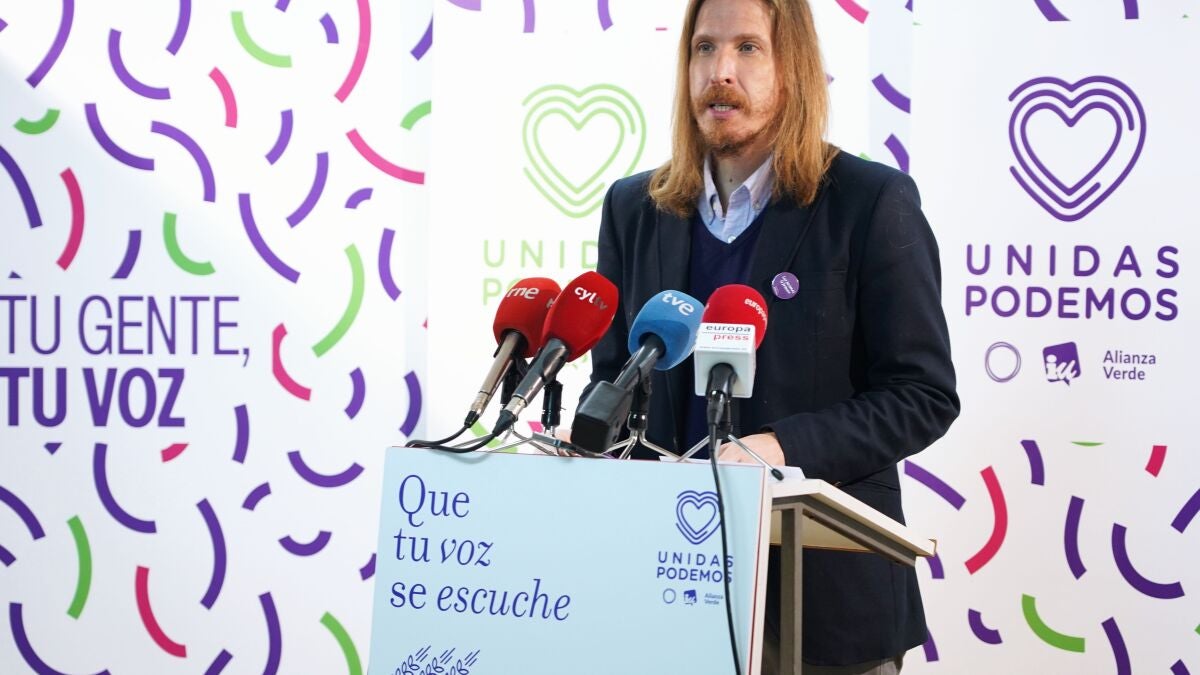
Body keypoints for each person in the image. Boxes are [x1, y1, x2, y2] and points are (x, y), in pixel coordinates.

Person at [586, 0, 960, 672]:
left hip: (825, 607)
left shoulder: (870, 201)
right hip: (664, 596)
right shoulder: (633, 207)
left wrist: (780, 449)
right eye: (704, 48)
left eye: (748, 48)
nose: (720, 72)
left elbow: (921, 394)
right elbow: (615, 377)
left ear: (794, 67)